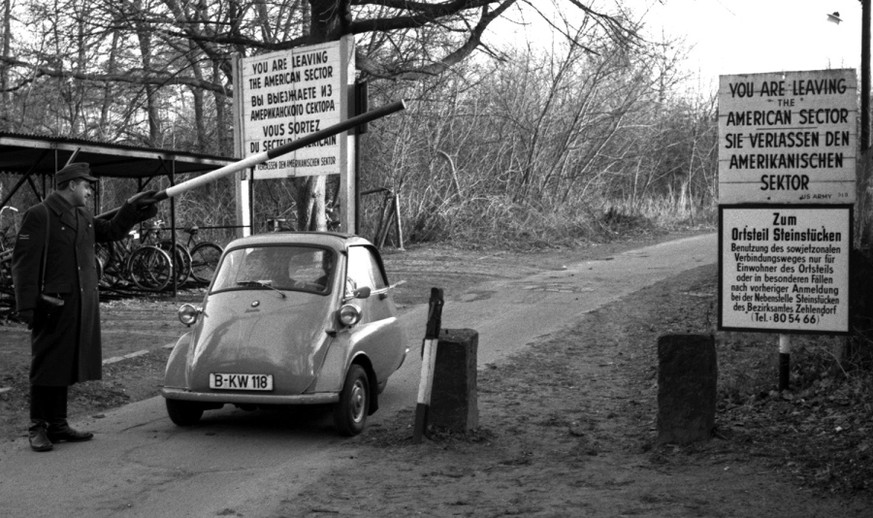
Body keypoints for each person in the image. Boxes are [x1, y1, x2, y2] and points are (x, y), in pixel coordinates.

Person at [11, 162, 158, 452]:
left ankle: (58, 424)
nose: (90, 191)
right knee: (46, 364)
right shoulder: (39, 216)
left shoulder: (82, 215)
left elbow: (112, 230)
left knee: (64, 362)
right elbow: (23, 264)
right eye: (86, 185)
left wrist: (132, 210)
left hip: (79, 302)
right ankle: (37, 426)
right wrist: (28, 309)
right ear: (70, 185)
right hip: (52, 304)